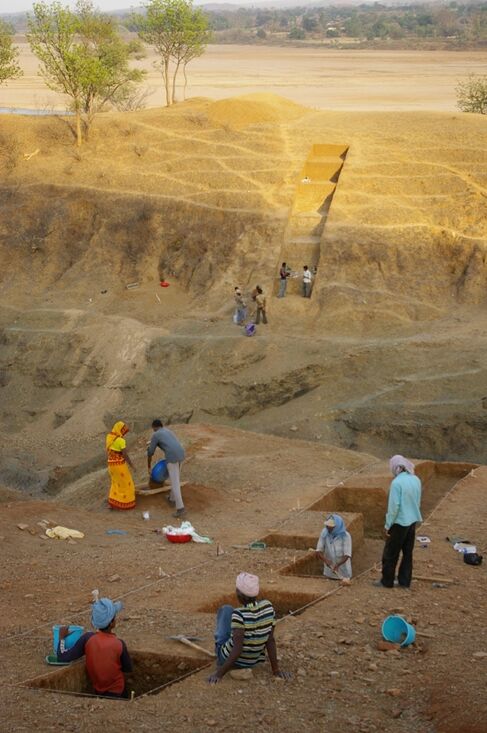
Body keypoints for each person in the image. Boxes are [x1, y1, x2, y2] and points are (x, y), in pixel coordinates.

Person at [208, 573, 291, 684]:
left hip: (233, 660)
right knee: (238, 624)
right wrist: (276, 670)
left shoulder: (239, 614)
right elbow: (270, 640)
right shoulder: (268, 606)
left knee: (226, 609)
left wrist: (219, 674)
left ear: (238, 594)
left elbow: (237, 650)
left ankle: (220, 658)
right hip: (254, 660)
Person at [56, 598, 132, 699]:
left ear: (93, 621)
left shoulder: (87, 639)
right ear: (112, 623)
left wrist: (62, 638)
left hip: (98, 692)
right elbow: (128, 669)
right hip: (118, 692)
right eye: (114, 617)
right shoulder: (119, 644)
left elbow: (62, 656)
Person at [374, 455, 422, 589]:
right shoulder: (415, 479)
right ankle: (405, 581)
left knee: (390, 553)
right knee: (407, 553)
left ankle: (387, 581)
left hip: (399, 523)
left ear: (395, 468)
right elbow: (417, 500)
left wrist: (387, 525)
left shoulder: (396, 483)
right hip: (412, 521)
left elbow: (394, 507)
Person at [147, 419, 186, 518]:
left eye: (153, 429)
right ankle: (172, 499)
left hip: (172, 457)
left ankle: (180, 509)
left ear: (154, 427)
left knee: (175, 483)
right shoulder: (168, 431)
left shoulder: (156, 434)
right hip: (181, 454)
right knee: (176, 479)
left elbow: (151, 451)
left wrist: (149, 455)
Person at [106, 421, 136, 510]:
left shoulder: (109, 437)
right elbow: (125, 455)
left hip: (111, 464)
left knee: (115, 483)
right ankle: (125, 504)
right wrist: (132, 466)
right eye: (123, 431)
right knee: (126, 483)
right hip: (119, 465)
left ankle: (113, 503)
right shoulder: (121, 440)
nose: (124, 434)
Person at [316, 514, 352, 579]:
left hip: (343, 571)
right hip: (329, 572)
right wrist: (325, 560)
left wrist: (338, 565)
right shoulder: (324, 533)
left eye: (331, 526)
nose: (328, 528)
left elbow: (347, 555)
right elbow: (318, 550)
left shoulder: (346, 536)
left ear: (337, 526)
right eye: (327, 526)